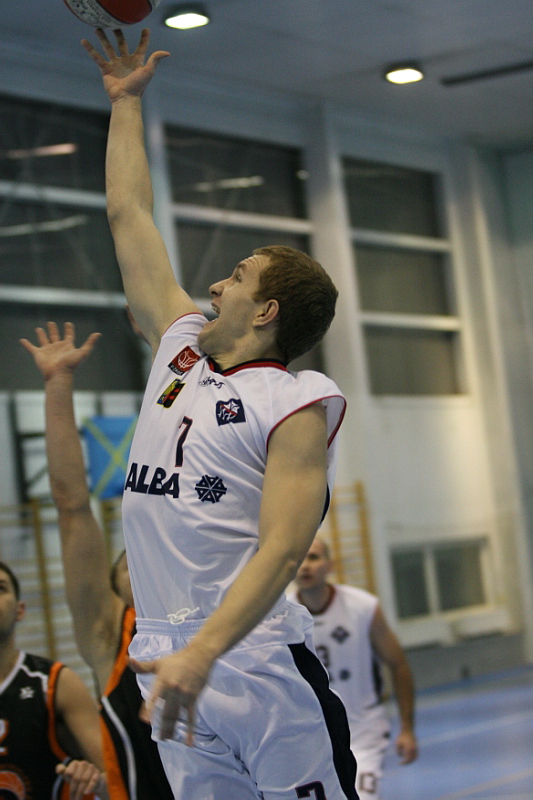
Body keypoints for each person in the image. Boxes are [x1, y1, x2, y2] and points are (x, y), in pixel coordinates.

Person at [81, 26, 358, 800]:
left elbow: (282, 548)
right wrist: (125, 105)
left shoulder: (296, 401)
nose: (213, 287)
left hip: (253, 658)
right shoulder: (178, 347)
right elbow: (128, 215)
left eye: (235, 277)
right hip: (164, 656)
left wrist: (205, 651)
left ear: (265, 311)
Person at [20, 322, 174, 800]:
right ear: (115, 591)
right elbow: (71, 507)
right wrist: (58, 385)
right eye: (129, 564)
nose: (142, 565)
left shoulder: (219, 625)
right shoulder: (112, 636)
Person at [288, 537, 418, 800]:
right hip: (312, 736)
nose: (305, 566)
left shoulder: (363, 607)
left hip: (363, 731)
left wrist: (407, 728)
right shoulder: (281, 615)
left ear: (330, 565)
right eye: (300, 558)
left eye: (313, 557)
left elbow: (398, 665)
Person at [0, 561, 107, 799]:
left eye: (0, 588)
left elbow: (117, 780)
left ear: (20, 610)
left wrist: (92, 779)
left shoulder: (57, 683)